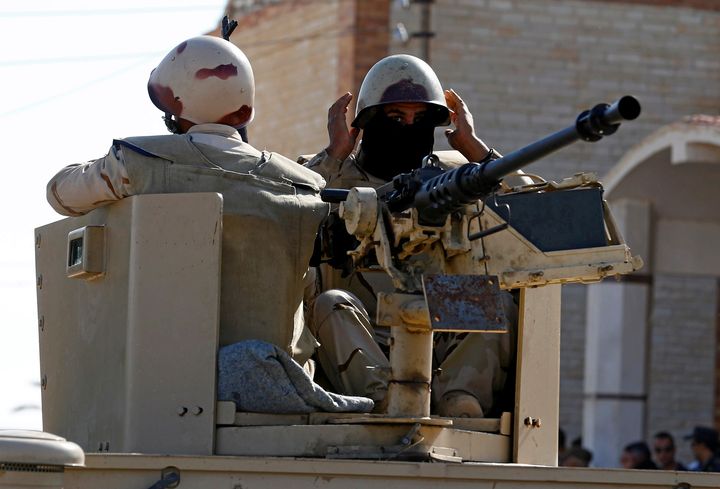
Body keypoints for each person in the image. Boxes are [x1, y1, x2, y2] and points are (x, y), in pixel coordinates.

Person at [46, 35, 328, 367]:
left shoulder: (138, 162)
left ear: (177, 105)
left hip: (165, 372)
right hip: (280, 377)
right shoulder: (303, 185)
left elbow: (61, 193)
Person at [302, 54, 525, 417]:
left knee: (495, 302)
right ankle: (385, 402)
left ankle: (460, 399)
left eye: (420, 120)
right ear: (369, 122)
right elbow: (286, 212)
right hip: (366, 333)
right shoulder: (327, 176)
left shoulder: (458, 177)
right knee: (330, 303)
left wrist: (472, 147)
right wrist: (334, 155)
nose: (408, 128)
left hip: (443, 332)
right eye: (395, 119)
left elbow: (532, 216)